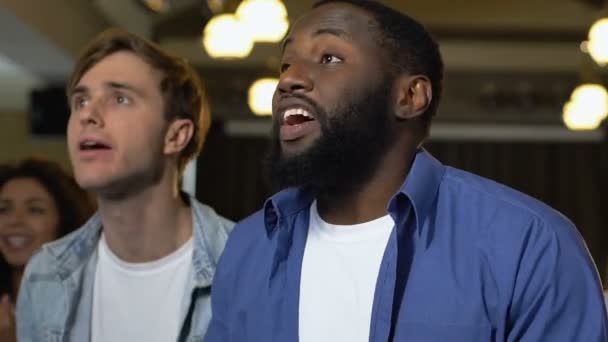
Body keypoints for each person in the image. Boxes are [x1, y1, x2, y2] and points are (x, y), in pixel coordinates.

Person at [205, 1, 608, 341]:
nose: (289, 79)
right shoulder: (250, 246)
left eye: (329, 57)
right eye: (285, 63)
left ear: (409, 96)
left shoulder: (530, 245)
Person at [17, 28, 234, 342]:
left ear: (175, 135)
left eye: (119, 98)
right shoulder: (46, 272)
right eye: (80, 101)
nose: (88, 115)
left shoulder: (247, 264)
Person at [0, 158, 94, 342]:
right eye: (3, 210)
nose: (15, 221)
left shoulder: (87, 306)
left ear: (64, 223)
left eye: (35, 210)